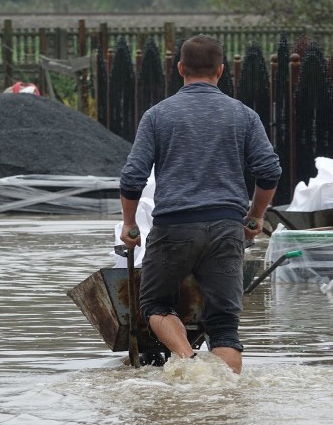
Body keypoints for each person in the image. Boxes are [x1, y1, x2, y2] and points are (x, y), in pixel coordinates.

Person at [119, 34, 281, 374]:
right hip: (226, 227)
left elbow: (133, 177)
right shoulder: (244, 116)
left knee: (155, 303)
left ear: (180, 69)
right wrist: (254, 217)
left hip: (173, 227)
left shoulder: (157, 116)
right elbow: (269, 171)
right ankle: (226, 398)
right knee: (224, 325)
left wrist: (129, 224)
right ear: (221, 71)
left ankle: (188, 361)